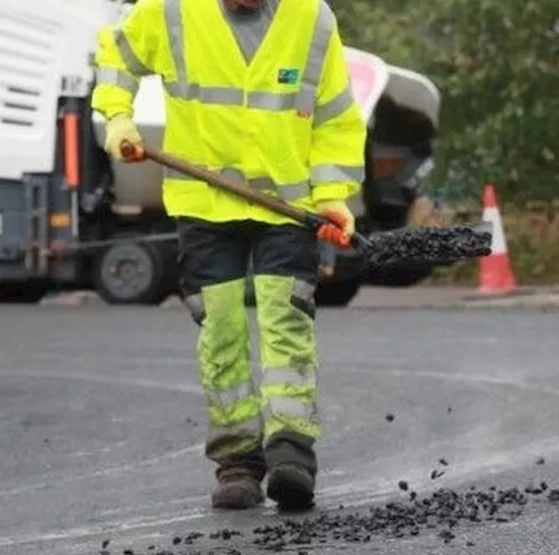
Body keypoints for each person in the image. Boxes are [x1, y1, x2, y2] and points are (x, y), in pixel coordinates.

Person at [91, 0, 368, 511]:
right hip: (204, 204)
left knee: (286, 321)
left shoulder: (312, 19)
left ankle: (291, 452)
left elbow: (335, 117)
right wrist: (117, 115)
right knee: (220, 330)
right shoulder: (172, 11)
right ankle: (237, 462)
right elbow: (115, 51)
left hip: (286, 206)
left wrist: (332, 192)